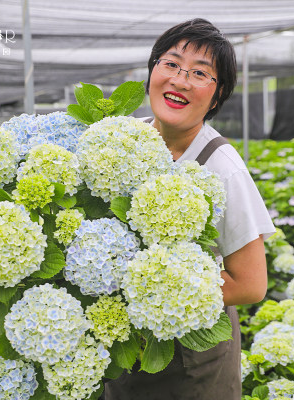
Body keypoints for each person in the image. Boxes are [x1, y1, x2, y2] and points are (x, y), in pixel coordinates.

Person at [105, 18, 275, 400]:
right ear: (152, 71)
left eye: (200, 73)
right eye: (171, 64)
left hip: (191, 363)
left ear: (216, 98)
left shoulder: (222, 167)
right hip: (127, 351)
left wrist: (159, 297)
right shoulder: (125, 143)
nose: (180, 80)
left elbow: (251, 284)